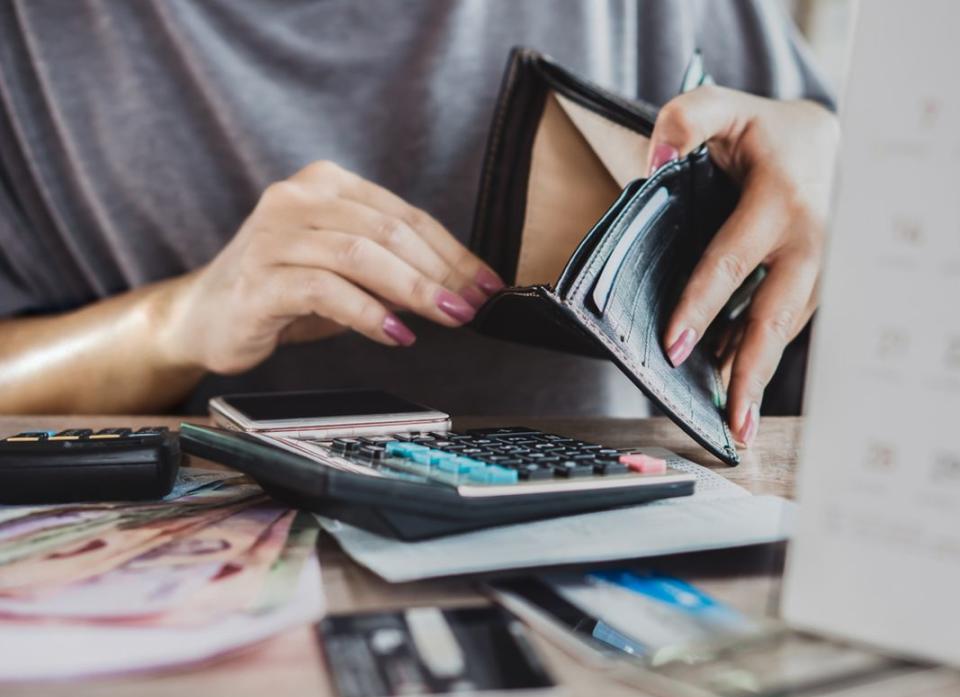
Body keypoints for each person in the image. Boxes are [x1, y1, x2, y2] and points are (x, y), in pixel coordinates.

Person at [0, 0, 837, 446]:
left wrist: (843, 166)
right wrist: (168, 325)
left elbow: (866, 214)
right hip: (191, 618)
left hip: (633, 578)